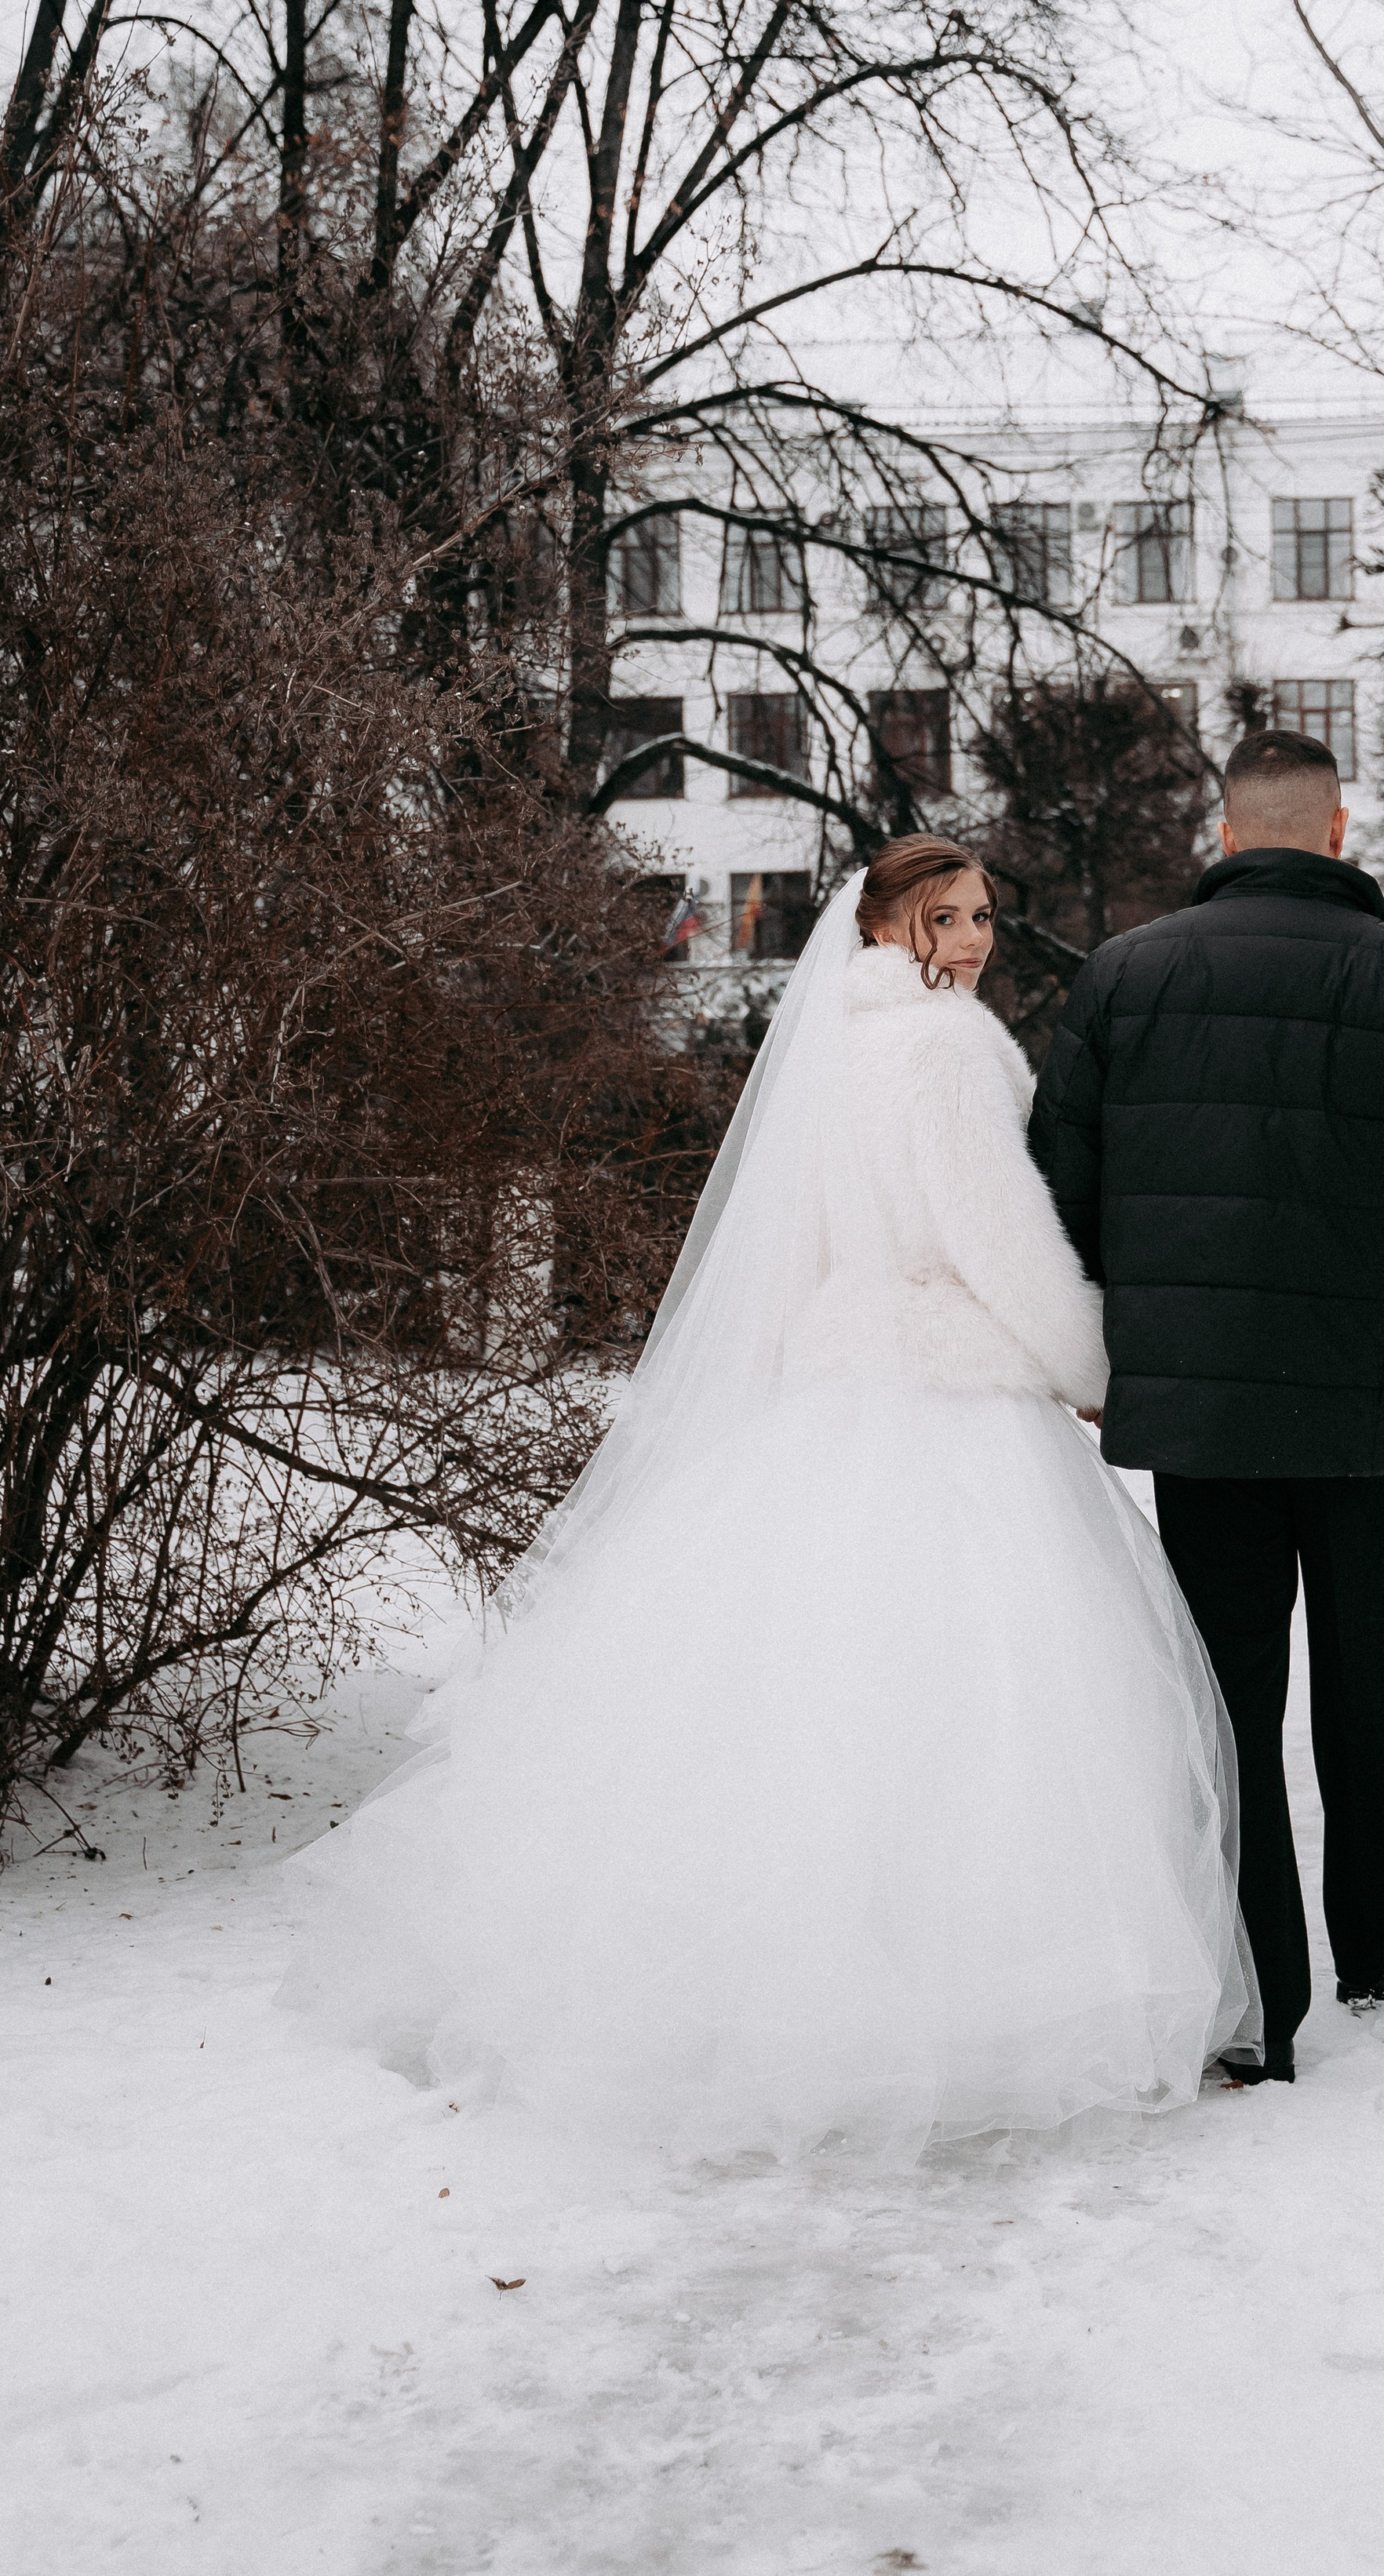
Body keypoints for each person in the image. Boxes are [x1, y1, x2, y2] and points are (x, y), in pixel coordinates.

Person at [282, 839, 1255, 2159]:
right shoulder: (945, 1053)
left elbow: (795, 1255)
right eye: (945, 917)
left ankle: (773, 1987)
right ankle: (965, 1997)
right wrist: (1088, 1364)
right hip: (953, 1404)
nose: (973, 941)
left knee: (806, 1697)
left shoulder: (829, 1057)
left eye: (982, 917)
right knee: (979, 1704)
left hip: (835, 1392)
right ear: (886, 925)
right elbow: (997, 1239)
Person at [1029, 728, 1384, 2087]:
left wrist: (1091, 1362)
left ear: (1225, 825)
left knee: (1226, 1694)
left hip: (1197, 1415)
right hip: (1373, 1412)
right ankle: (1377, 1943)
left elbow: (1053, 1200)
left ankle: (1259, 1998)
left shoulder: (1124, 976)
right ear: (1337, 830)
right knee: (1364, 1673)